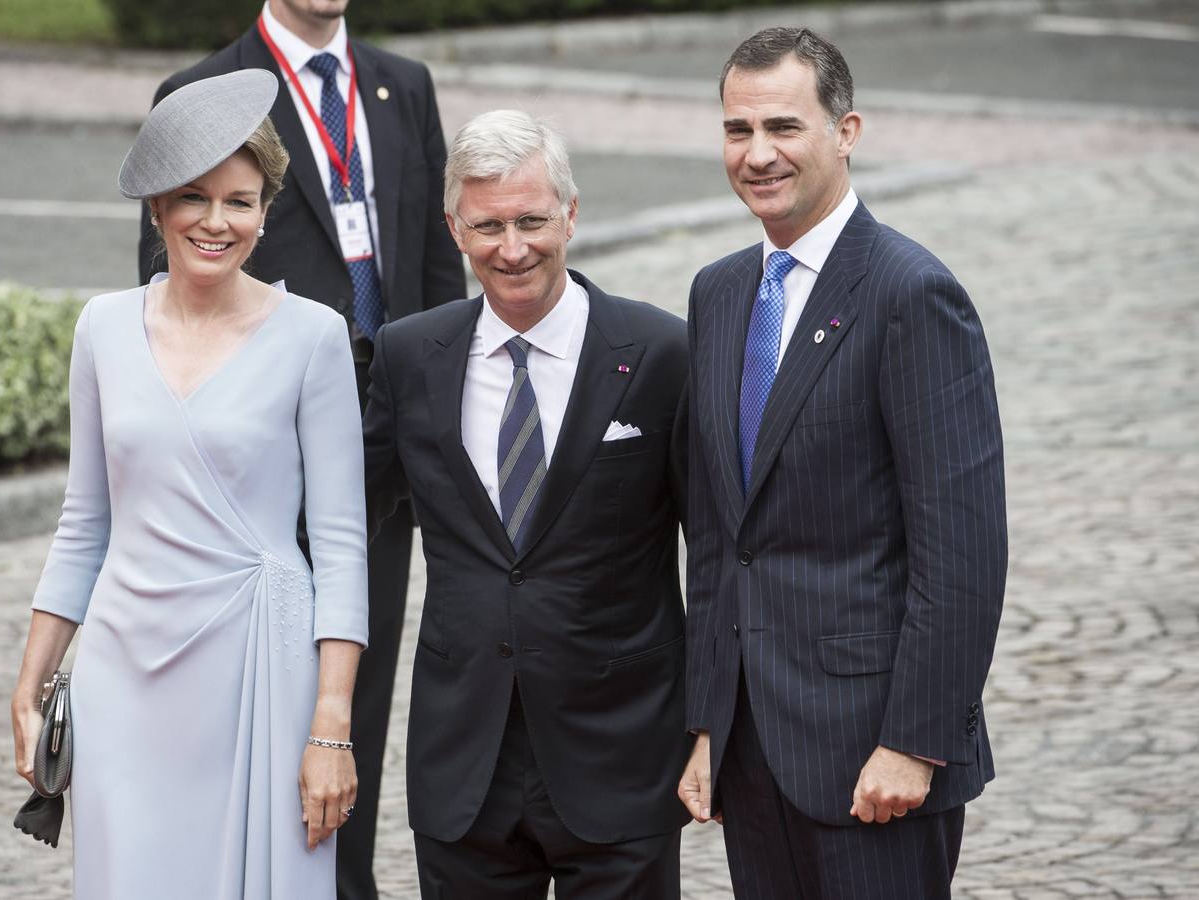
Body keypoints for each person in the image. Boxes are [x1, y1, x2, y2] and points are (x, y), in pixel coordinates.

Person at [11, 70, 368, 899]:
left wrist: (332, 725)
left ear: (266, 211)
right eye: (193, 199)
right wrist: (30, 686)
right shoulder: (102, 328)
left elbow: (343, 545)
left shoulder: (314, 338)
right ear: (157, 209)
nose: (216, 222)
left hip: (263, 671)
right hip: (122, 677)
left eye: (240, 201)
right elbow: (83, 523)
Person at [138, 7, 464, 893]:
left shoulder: (403, 86)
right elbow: (165, 289)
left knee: (355, 697)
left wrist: (437, 421)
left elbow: (436, 270)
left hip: (380, 452)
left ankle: (339, 884)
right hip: (258, 458)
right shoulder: (202, 91)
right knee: (242, 697)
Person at [677, 26, 1007, 898]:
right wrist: (708, 721)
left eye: (783, 127)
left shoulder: (910, 293)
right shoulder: (718, 293)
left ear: (846, 132)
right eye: (738, 130)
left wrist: (915, 741)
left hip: (875, 756)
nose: (757, 154)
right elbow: (716, 536)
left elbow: (962, 550)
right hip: (753, 751)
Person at [362, 109, 691, 899]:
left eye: (532, 221)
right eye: (488, 226)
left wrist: (713, 724)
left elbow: (715, 549)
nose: (512, 249)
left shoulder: (661, 352)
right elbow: (343, 523)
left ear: (570, 214)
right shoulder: (408, 356)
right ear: (455, 229)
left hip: (622, 755)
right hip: (463, 765)